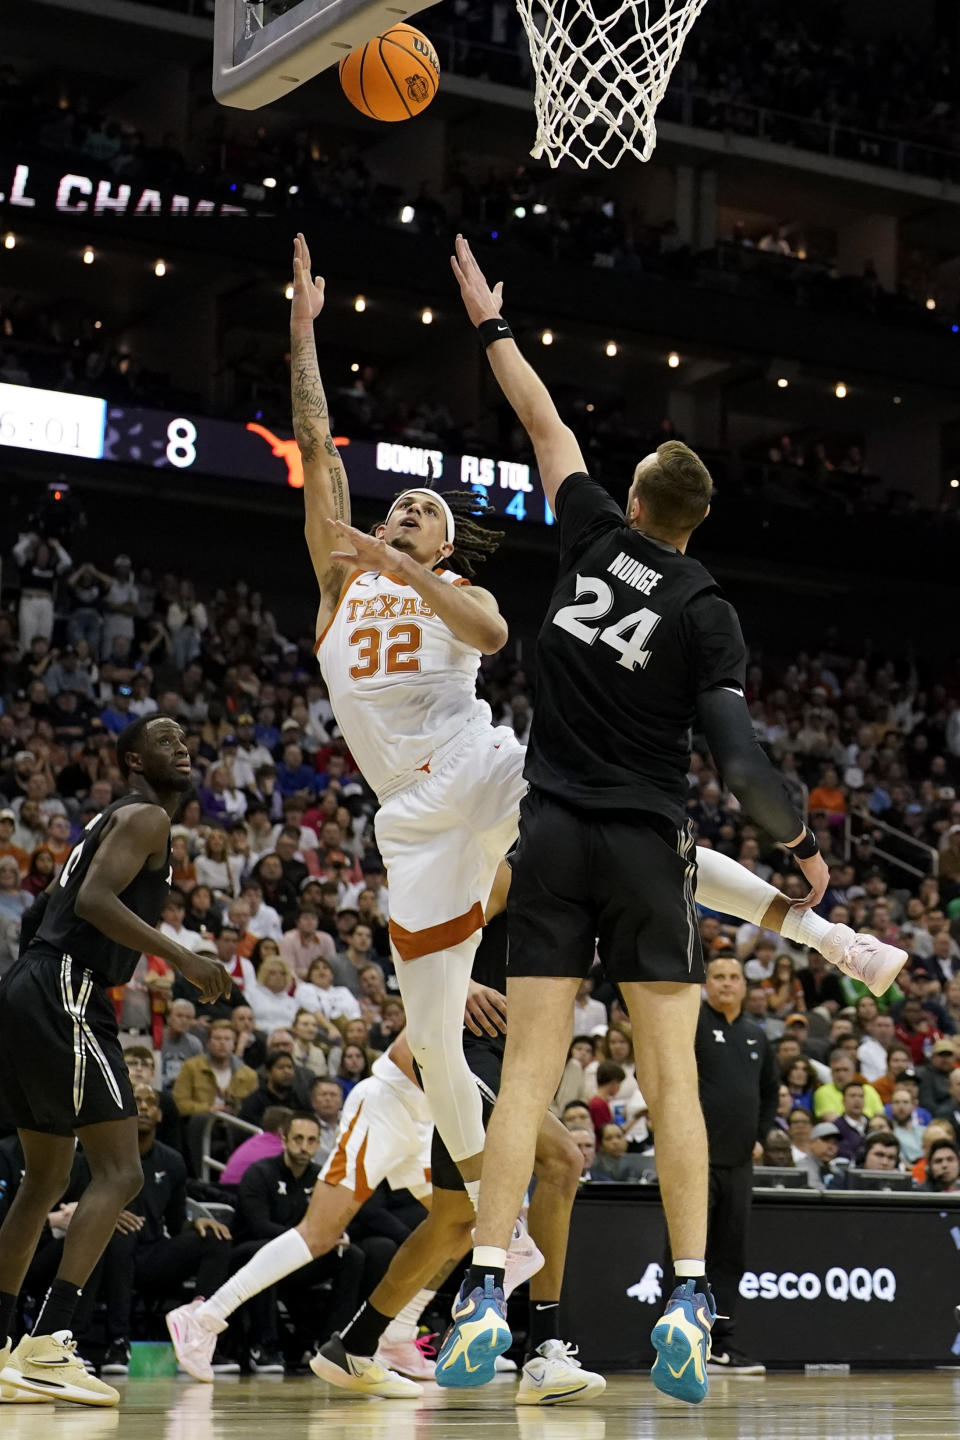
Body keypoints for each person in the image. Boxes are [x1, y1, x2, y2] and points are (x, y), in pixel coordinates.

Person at [437, 232, 867, 1407]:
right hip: (644, 844)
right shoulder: (706, 606)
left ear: (631, 501)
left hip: (554, 833)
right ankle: (687, 1292)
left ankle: (483, 1287)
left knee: (527, 1076)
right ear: (697, 524)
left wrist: (492, 320)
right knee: (669, 1075)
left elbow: (540, 420)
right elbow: (739, 759)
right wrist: (797, 849)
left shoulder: (584, 528)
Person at [283, 233, 525, 1229]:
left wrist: (418, 569)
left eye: (426, 511)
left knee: (604, 819)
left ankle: (803, 920)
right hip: (417, 822)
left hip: (475, 769)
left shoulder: (457, 587)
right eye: (401, 506)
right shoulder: (339, 581)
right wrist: (303, 332)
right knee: (430, 1044)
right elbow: (316, 444)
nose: (407, 511)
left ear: (445, 541)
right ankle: (494, 1228)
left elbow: (494, 635)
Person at [0, 714, 228, 1407]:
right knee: (121, 1171)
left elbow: (46, 911)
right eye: (164, 740)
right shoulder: (147, 816)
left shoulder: (108, 822)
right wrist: (182, 955)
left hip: (34, 982)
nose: (183, 748)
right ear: (131, 759)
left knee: (43, 1181)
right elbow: (94, 902)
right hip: (65, 985)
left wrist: (32, 983)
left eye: (187, 739)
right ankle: (49, 1343)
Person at [84, 1084, 234, 1376]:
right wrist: (107, 1215)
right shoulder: (102, 1155)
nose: (143, 1106)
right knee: (122, 1234)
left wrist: (196, 1223)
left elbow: (176, 1223)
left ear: (160, 1115)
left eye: (150, 1102)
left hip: (152, 1255)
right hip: (103, 1259)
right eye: (136, 1101)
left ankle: (200, 1336)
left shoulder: (173, 1161)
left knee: (216, 1238)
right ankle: (118, 1341)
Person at [693, 956, 775, 1376]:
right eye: (718, 977)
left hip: (740, 1164)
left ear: (746, 986)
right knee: (689, 1252)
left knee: (729, 1255)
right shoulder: (692, 1024)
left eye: (734, 977)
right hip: (694, 1161)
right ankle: (685, 1339)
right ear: (706, 984)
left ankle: (720, 1346)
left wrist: (758, 1137)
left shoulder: (757, 1036)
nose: (726, 984)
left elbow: (770, 1095)